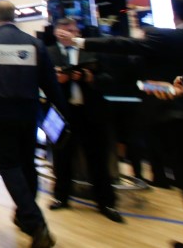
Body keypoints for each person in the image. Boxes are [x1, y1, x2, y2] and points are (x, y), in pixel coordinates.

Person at [56, 0, 183, 248]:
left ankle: (106, 201)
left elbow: (120, 51)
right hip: (69, 113)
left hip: (156, 118)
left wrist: (89, 75)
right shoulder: (52, 52)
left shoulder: (165, 38)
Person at [0, 0, 65, 248]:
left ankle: (36, 223)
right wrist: (61, 109)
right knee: (27, 165)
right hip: (28, 113)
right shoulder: (34, 43)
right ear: (15, 16)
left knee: (9, 166)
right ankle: (24, 215)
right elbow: (50, 81)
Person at [46, 18, 123, 223]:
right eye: (64, 30)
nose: (68, 33)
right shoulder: (48, 53)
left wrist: (89, 77)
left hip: (91, 113)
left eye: (72, 30)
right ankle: (61, 197)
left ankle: (106, 202)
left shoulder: (92, 50)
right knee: (62, 158)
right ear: (56, 33)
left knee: (97, 159)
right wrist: (56, 79)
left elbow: (109, 78)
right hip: (62, 114)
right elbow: (41, 82)